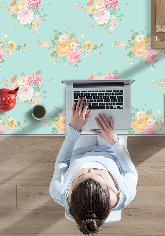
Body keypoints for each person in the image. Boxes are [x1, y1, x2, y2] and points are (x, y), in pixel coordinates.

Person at [49, 97, 138, 234]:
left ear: (71, 194)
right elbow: (130, 172)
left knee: (80, 111)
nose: (90, 168)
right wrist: (114, 141)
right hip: (111, 150)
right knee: (115, 105)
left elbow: (62, 162)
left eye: (82, 176)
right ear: (109, 192)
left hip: (80, 151)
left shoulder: (59, 192)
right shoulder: (125, 194)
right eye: (98, 174)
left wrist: (74, 129)